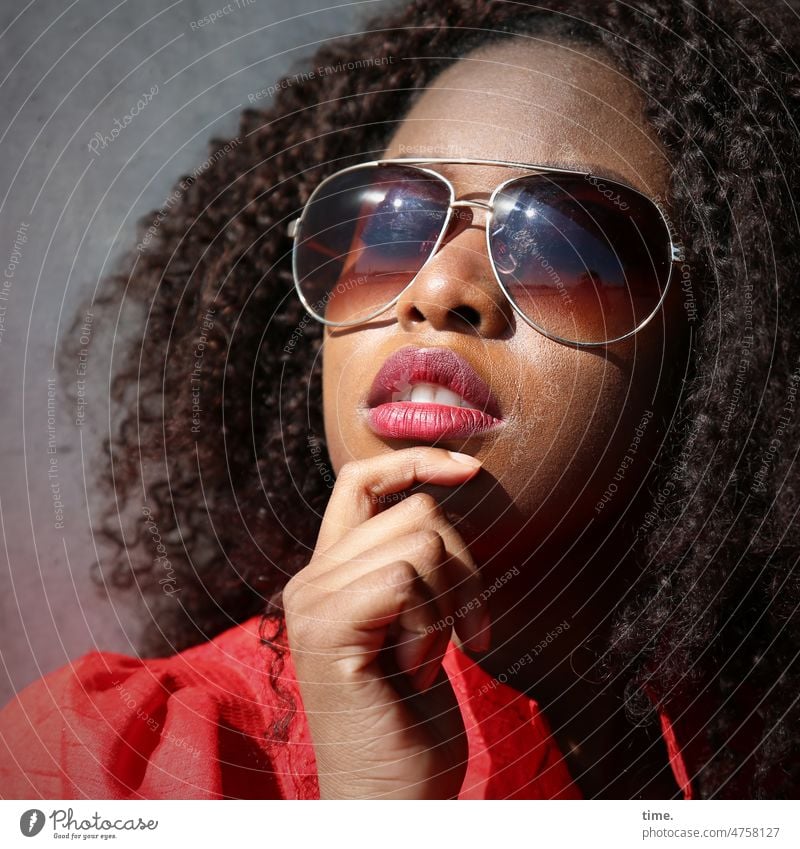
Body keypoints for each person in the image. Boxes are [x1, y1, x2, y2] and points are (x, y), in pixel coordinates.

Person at [1, 0, 798, 800]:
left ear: (733, 327)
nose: (438, 288)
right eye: (387, 228)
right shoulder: (98, 765)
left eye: (565, 242)